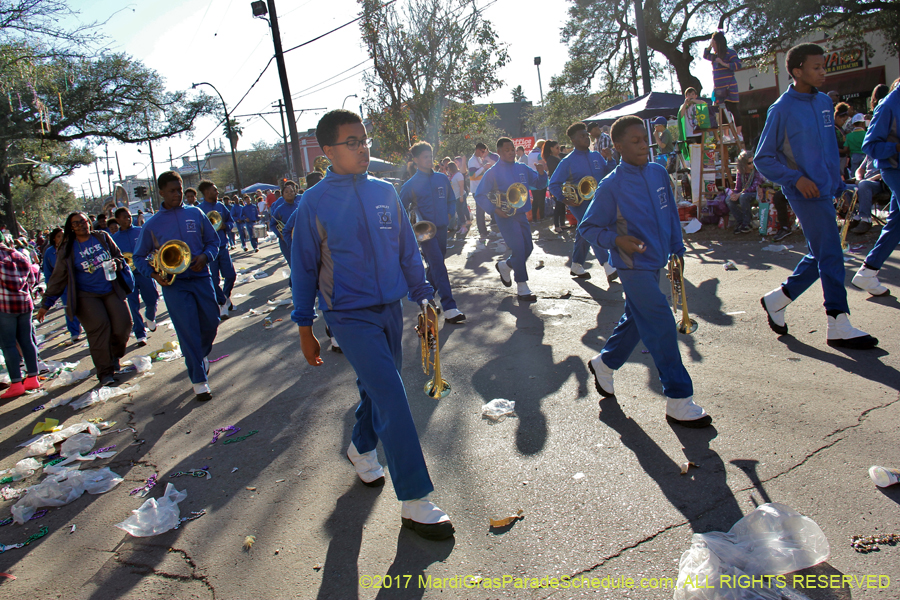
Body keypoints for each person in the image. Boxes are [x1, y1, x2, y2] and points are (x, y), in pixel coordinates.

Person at [291, 109, 454, 541]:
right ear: (327, 151)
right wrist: (305, 327)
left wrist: (422, 294)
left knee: (375, 389)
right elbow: (303, 271)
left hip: (390, 309)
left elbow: (405, 249)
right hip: (347, 316)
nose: (363, 148)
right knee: (392, 396)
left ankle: (361, 448)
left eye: (364, 140)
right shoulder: (314, 203)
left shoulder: (385, 192)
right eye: (352, 142)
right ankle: (416, 500)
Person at [579, 115, 712, 428]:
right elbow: (588, 226)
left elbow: (669, 217)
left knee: (637, 321)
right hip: (631, 266)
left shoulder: (658, 172)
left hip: (657, 261)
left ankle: (605, 363)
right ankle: (679, 399)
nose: (643, 145)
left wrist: (677, 250)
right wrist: (616, 240)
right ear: (618, 145)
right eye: (635, 141)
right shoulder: (611, 185)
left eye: (645, 139)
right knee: (661, 322)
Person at [756, 43, 877, 349]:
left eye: (824, 66)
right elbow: (763, 158)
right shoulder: (781, 109)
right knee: (832, 253)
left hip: (827, 189)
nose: (823, 72)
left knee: (824, 252)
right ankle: (837, 321)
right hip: (803, 193)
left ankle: (778, 299)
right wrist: (796, 178)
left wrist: (838, 185)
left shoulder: (824, 102)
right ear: (797, 71)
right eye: (816, 67)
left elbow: (825, 149)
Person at [133, 171, 220, 401]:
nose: (177, 194)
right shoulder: (152, 224)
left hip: (201, 277)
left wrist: (205, 257)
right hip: (175, 285)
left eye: (180, 189)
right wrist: (153, 274)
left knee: (212, 322)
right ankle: (199, 381)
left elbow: (213, 242)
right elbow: (138, 257)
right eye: (172, 191)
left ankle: (199, 356)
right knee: (187, 330)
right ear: (160, 192)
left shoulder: (196, 213)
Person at [38, 212, 133, 386]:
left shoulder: (102, 237)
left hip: (111, 289)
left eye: (83, 221)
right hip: (86, 296)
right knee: (99, 329)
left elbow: (120, 257)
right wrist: (46, 303)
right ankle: (105, 373)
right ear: (71, 228)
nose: (82, 225)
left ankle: (113, 355)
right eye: (76, 224)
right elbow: (58, 277)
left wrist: (116, 263)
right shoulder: (67, 248)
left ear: (89, 222)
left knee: (124, 324)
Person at [400, 142, 466, 324]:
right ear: (415, 160)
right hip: (425, 234)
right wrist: (409, 228)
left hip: (443, 229)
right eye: (424, 157)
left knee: (436, 266)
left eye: (430, 156)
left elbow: (451, 200)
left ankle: (427, 301)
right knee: (438, 264)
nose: (429, 159)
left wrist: (449, 214)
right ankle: (450, 307)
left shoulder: (442, 179)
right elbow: (399, 209)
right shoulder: (410, 185)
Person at [475, 137, 548, 301]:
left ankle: (506, 265)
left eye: (512, 149)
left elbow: (539, 182)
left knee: (528, 248)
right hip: (505, 216)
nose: (511, 152)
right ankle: (522, 287)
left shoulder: (522, 167)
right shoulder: (492, 172)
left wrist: (542, 172)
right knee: (519, 249)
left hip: (521, 214)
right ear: (499, 152)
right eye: (506, 150)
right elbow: (479, 194)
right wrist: (494, 210)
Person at [549, 122, 618, 282]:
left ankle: (577, 265)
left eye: (586, 135)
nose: (586, 138)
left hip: (599, 200)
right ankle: (608, 265)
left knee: (583, 231)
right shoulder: (567, 161)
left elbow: (609, 173)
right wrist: (566, 199)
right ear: (573, 140)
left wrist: (609, 159)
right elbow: (553, 184)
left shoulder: (596, 155)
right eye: (582, 136)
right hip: (580, 204)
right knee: (592, 229)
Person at [851, 80, 900, 297]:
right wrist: (896, 147)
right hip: (895, 168)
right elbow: (869, 146)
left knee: (897, 222)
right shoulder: (889, 105)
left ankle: (868, 272)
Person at [0, 237, 41, 399]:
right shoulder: (19, 255)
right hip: (25, 304)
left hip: (4, 307)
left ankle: (16, 383)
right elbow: (32, 280)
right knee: (27, 341)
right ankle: (33, 378)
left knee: (8, 345)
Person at [112, 208, 160, 347]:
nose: (127, 219)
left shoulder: (140, 231)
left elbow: (152, 247)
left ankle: (150, 316)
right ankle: (140, 334)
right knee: (133, 305)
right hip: (127, 276)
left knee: (152, 299)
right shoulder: (114, 239)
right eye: (123, 217)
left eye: (128, 216)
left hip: (145, 272)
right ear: (117, 220)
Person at [197, 180, 237, 318]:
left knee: (231, 276)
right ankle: (222, 303)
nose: (217, 192)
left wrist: (225, 226)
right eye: (214, 190)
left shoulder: (220, 206)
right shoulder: (200, 209)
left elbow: (231, 221)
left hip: (223, 246)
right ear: (207, 192)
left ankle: (225, 297)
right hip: (209, 250)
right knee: (214, 280)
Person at [41, 228, 83, 344]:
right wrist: (51, 288)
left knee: (83, 305)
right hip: (62, 285)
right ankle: (74, 332)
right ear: (54, 238)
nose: (62, 239)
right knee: (68, 307)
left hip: (77, 282)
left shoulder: (72, 247)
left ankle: (87, 327)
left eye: (64, 236)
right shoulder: (49, 252)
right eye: (59, 236)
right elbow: (48, 271)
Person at [703, 31, 743, 136]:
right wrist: (709, 46)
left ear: (719, 43)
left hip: (730, 87)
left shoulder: (730, 52)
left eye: (714, 44)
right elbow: (705, 55)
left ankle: (738, 134)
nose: (713, 46)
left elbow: (738, 65)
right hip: (719, 89)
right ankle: (726, 136)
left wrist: (723, 63)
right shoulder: (714, 56)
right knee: (722, 112)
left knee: (733, 109)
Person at [727, 150, 765, 234]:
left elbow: (754, 186)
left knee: (743, 197)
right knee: (729, 199)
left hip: (757, 193)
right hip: (743, 193)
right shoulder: (741, 172)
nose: (752, 165)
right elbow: (738, 187)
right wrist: (734, 194)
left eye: (753, 162)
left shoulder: (757, 170)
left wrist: (739, 194)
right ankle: (740, 222)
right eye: (749, 163)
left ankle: (747, 223)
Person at [468, 143, 497, 238]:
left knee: (482, 210)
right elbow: (472, 175)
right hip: (476, 189)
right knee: (480, 211)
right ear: (477, 150)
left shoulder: (479, 159)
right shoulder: (472, 161)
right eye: (482, 151)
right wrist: (483, 168)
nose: (483, 153)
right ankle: (482, 232)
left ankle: (483, 230)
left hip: (481, 188)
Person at [270, 180, 300, 268]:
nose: (289, 193)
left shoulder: (300, 205)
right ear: (282, 195)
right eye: (286, 192)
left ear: (295, 193)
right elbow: (272, 224)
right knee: (293, 265)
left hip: (299, 239)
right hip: (286, 241)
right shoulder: (279, 209)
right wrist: (280, 235)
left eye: (291, 191)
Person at [543, 140, 567, 233]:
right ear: (551, 149)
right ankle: (556, 225)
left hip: (564, 183)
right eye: (557, 148)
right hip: (556, 184)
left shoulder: (560, 156)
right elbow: (555, 172)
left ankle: (563, 223)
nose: (558, 149)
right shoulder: (550, 159)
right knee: (558, 204)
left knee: (563, 204)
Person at [526, 140, 547, 222]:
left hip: (532, 179)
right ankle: (542, 216)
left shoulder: (530, 154)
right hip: (540, 179)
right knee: (541, 199)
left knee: (535, 199)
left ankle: (534, 216)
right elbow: (543, 167)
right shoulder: (539, 155)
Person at [446, 162, 469, 238]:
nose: (447, 169)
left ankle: (464, 226)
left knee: (460, 211)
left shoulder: (458, 175)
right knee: (459, 212)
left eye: (448, 167)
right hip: (455, 196)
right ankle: (461, 226)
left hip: (460, 196)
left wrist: (461, 196)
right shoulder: (452, 175)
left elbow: (461, 186)